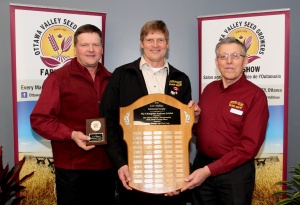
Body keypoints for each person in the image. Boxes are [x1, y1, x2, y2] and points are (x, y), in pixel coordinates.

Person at [100, 20, 200, 205]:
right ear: (141, 43)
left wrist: (177, 175)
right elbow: (108, 121)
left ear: (167, 44)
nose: (155, 45)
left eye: (160, 40)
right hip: (132, 172)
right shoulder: (122, 75)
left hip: (170, 174)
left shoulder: (181, 78)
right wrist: (120, 163)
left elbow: (183, 130)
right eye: (150, 39)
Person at [30, 24, 116, 205]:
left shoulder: (113, 79)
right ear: (75, 48)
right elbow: (39, 120)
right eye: (85, 45)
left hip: (107, 167)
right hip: (72, 169)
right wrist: (71, 134)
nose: (91, 50)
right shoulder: (58, 79)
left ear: (102, 48)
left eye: (96, 45)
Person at [181, 36, 269, 205]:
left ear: (245, 61)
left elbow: (248, 147)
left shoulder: (255, 96)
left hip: (234, 176)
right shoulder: (209, 90)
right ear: (216, 62)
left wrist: (208, 171)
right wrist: (195, 120)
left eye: (235, 56)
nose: (229, 61)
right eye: (223, 56)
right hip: (202, 166)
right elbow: (201, 131)